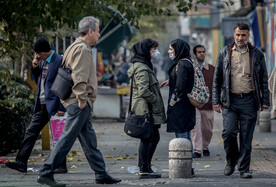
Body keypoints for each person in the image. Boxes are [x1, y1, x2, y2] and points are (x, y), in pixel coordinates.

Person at [37, 16, 121, 187]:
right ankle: (46, 172)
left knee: (89, 141)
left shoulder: (73, 46)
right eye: (97, 32)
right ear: (90, 31)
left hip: (76, 101)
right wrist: (82, 99)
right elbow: (79, 76)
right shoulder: (83, 49)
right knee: (67, 138)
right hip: (79, 102)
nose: (98, 35)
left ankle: (101, 173)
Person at [213, 22, 270, 179]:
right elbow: (217, 78)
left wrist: (265, 100)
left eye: (243, 35)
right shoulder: (224, 52)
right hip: (229, 101)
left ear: (248, 36)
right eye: (238, 35)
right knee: (228, 132)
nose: (240, 38)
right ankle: (231, 161)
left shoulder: (257, 54)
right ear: (234, 34)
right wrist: (215, 100)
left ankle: (244, 168)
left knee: (246, 137)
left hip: (249, 101)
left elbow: (264, 78)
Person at [5, 38, 67, 174]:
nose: (36, 56)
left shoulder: (59, 60)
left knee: (58, 136)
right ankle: (21, 162)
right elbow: (39, 79)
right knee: (31, 132)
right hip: (41, 103)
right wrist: (34, 68)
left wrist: (62, 107)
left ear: (43, 51)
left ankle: (61, 166)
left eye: (38, 53)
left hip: (55, 104)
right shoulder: (42, 61)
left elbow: (65, 82)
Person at [127, 38, 166, 179]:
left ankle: (146, 166)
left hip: (147, 108)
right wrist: (155, 99)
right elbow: (143, 90)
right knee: (148, 137)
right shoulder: (142, 68)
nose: (155, 52)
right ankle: (144, 168)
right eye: (152, 49)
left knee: (153, 137)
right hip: (145, 109)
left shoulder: (145, 65)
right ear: (145, 50)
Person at [160, 38, 195, 157]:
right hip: (187, 105)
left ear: (178, 49)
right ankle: (188, 166)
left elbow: (180, 87)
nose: (169, 52)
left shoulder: (181, 64)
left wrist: (172, 101)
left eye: (171, 49)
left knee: (182, 137)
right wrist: (171, 81)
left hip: (180, 107)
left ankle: (183, 166)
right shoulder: (187, 62)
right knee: (187, 135)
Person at [191, 44, 215, 158]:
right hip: (194, 104)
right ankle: (197, 150)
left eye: (203, 51)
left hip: (209, 104)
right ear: (195, 54)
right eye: (199, 52)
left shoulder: (211, 69)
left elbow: (217, 85)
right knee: (195, 128)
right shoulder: (191, 69)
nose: (202, 54)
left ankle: (205, 146)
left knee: (208, 129)